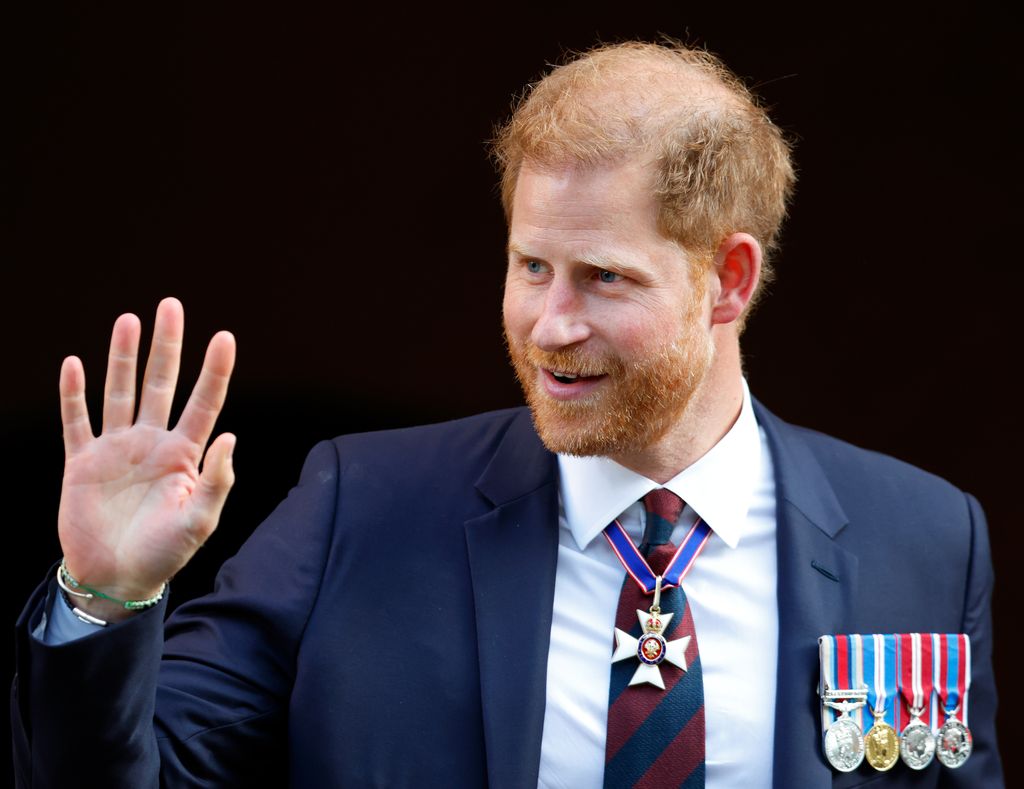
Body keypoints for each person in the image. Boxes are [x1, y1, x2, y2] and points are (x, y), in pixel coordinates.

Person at [11, 41, 1002, 788]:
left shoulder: (922, 537)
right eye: (530, 266)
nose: (548, 325)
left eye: (604, 278)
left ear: (727, 281)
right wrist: (103, 599)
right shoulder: (358, 508)